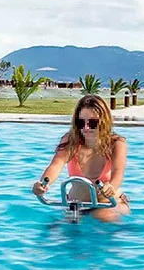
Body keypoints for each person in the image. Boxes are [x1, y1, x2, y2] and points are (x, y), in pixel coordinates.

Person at [32, 94, 130, 222]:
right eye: (81, 122)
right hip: (76, 205)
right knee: (61, 231)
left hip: (108, 203)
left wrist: (111, 186)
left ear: (104, 121)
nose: (86, 128)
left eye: (92, 122)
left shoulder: (117, 144)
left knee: (104, 220)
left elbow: (118, 172)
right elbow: (56, 165)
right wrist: (43, 184)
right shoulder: (70, 141)